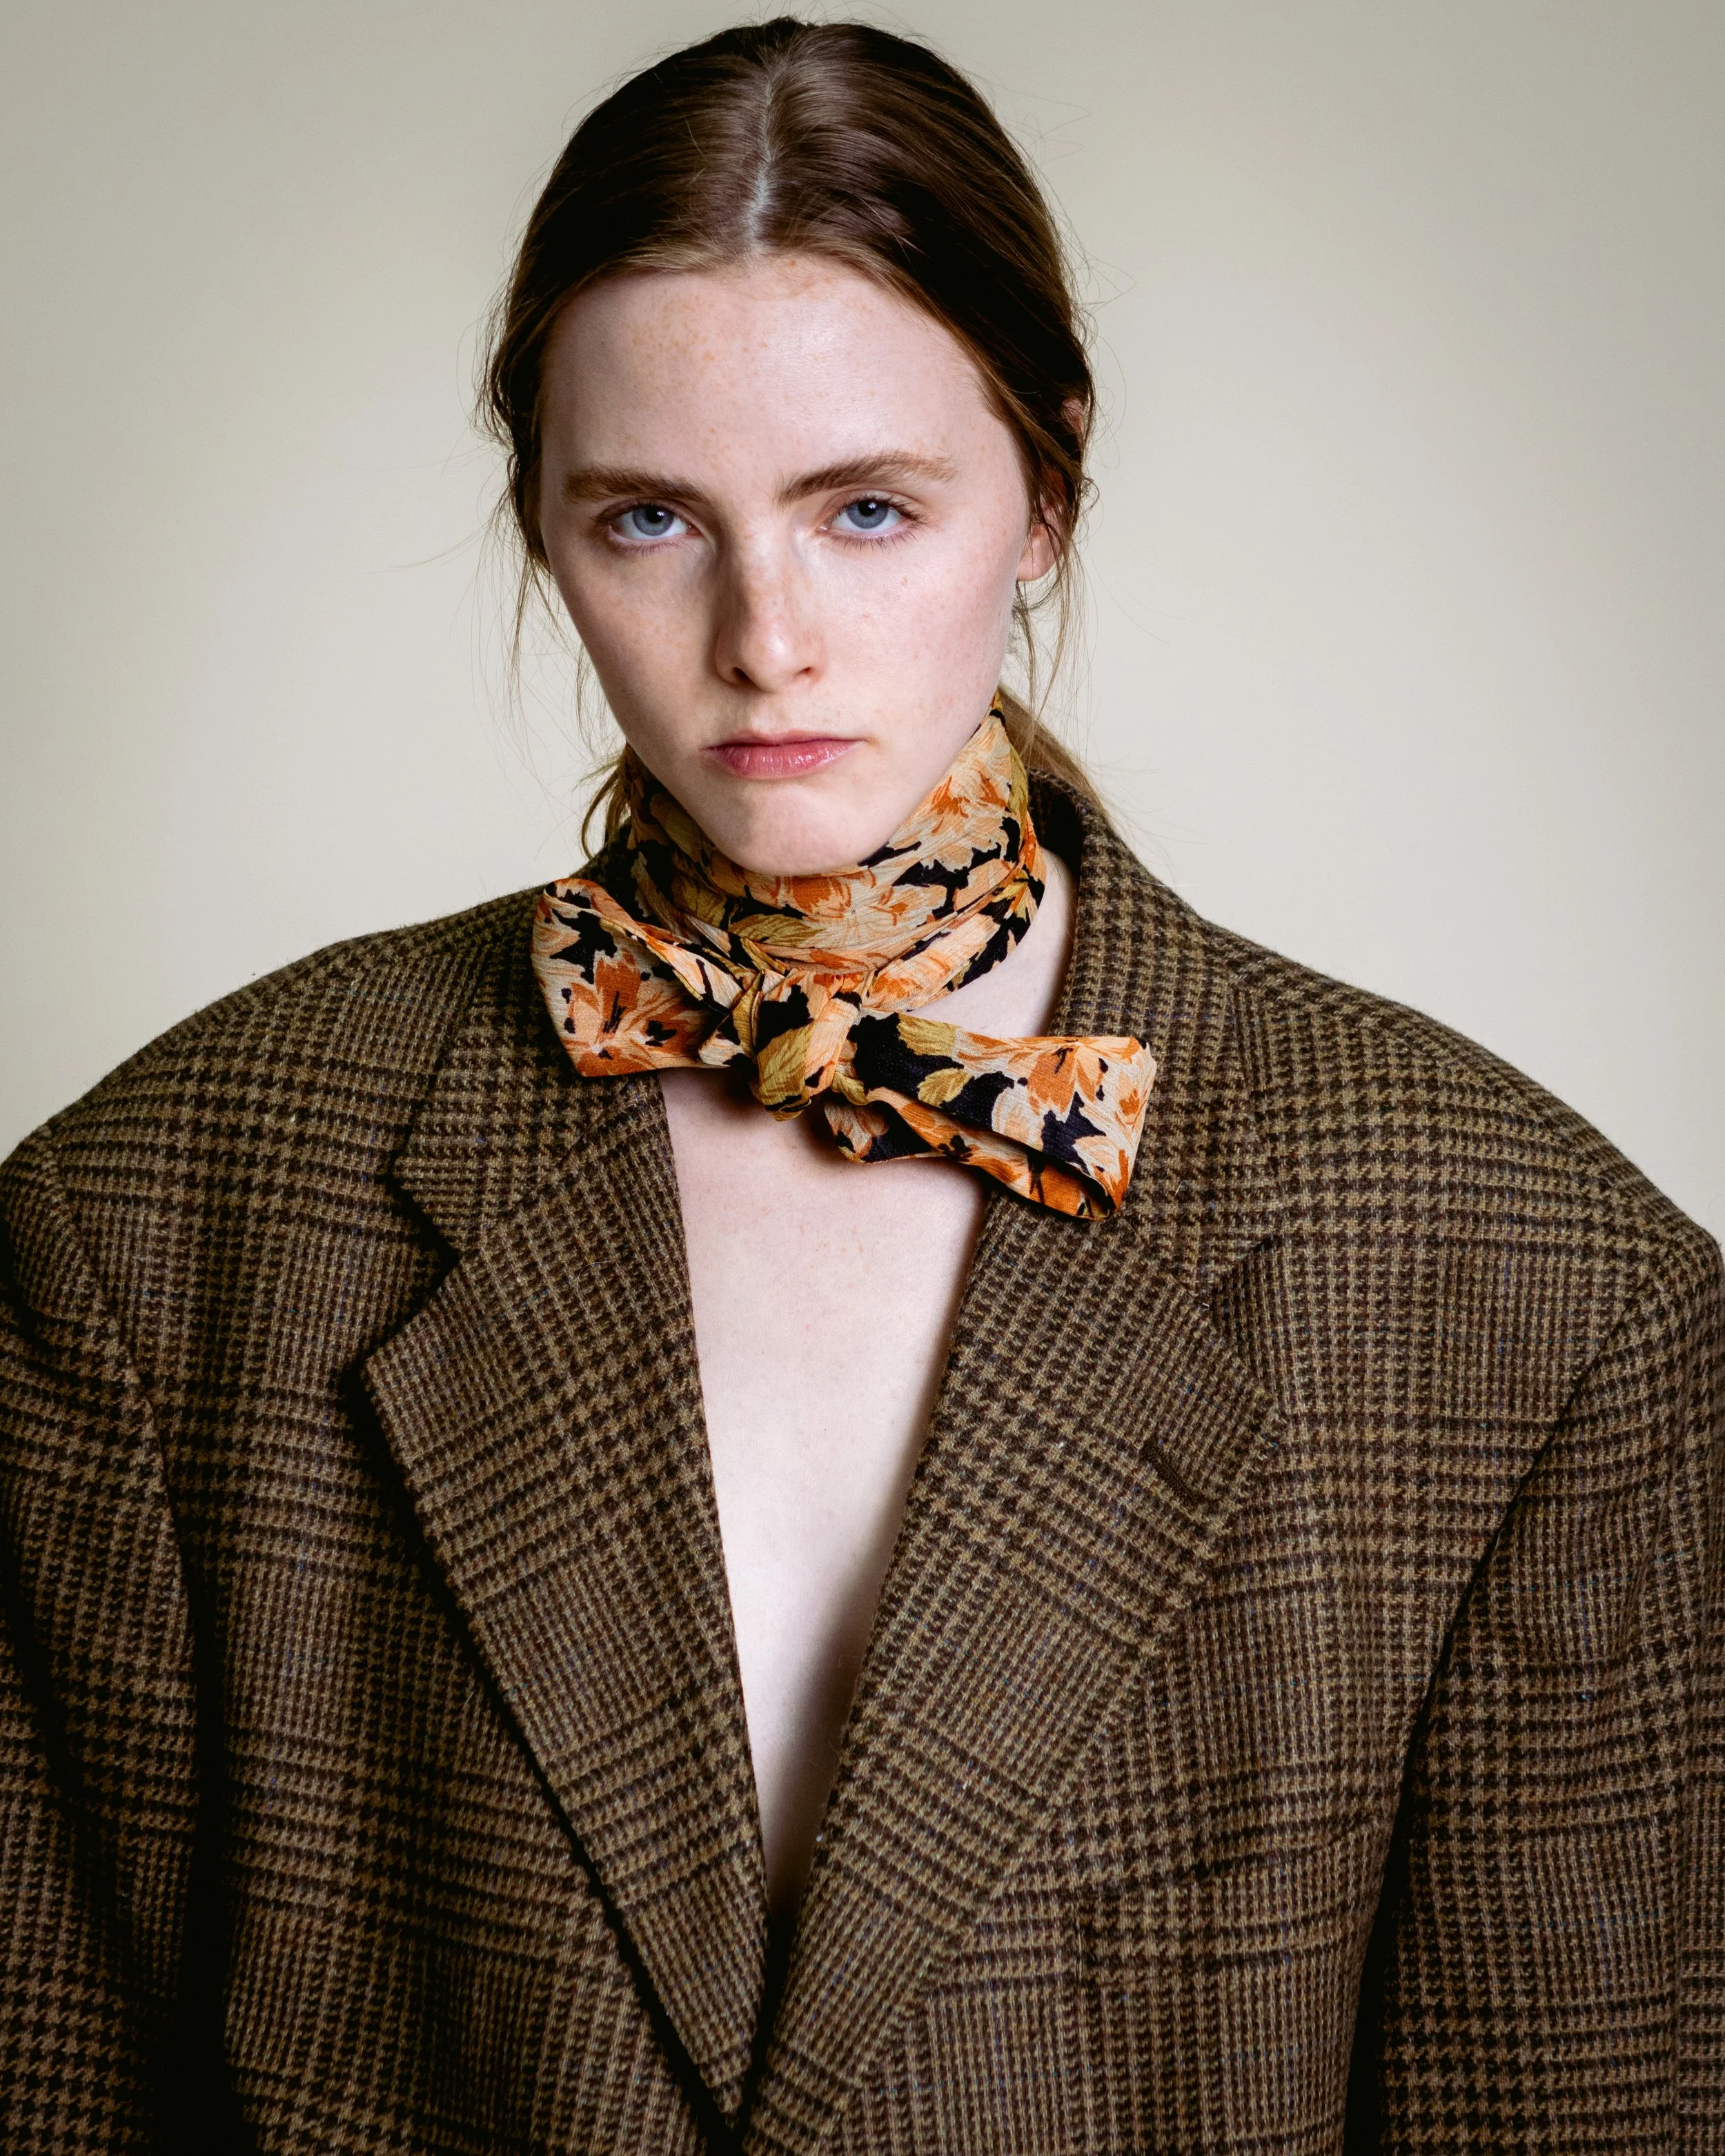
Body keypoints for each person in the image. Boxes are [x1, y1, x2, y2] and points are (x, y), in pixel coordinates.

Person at [1, 17, 1718, 2153]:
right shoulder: (150, 1217)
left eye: (869, 508)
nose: (766, 636)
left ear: (1048, 497)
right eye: (649, 517)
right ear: (537, 523)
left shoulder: (1541, 1286)